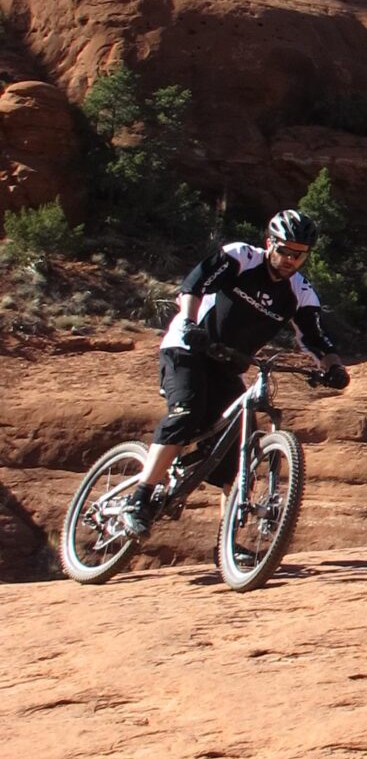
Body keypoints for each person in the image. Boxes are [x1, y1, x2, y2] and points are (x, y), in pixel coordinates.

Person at [123, 208, 349, 535]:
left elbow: (314, 337)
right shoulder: (241, 258)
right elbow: (194, 284)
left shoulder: (300, 291)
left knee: (237, 449)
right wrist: (188, 323)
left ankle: (229, 541)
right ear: (269, 243)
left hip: (229, 364)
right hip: (188, 347)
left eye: (299, 255)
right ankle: (139, 499)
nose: (290, 260)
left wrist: (333, 366)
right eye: (284, 250)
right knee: (185, 412)